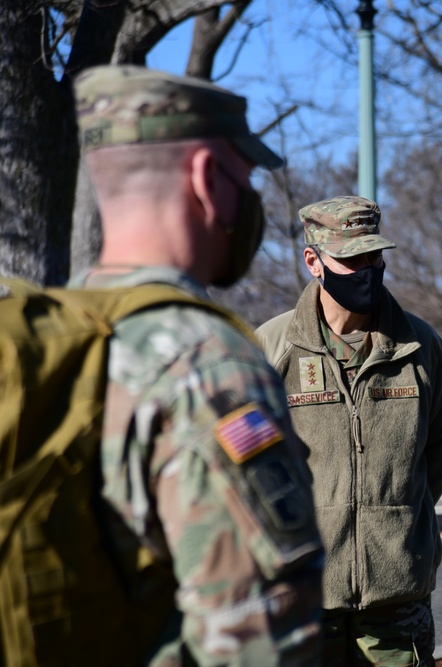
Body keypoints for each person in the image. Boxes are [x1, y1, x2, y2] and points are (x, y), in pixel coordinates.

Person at [71, 65, 324, 664]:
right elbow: (256, 639)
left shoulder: (51, 336)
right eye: (248, 179)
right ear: (209, 179)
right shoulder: (205, 363)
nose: (254, 201)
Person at [256, 196, 442, 666]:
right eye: (351, 260)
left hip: (397, 598)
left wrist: (394, 517)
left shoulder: (420, 346)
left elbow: (440, 450)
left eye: (374, 257)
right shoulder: (272, 347)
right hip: (303, 593)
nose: (367, 270)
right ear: (314, 261)